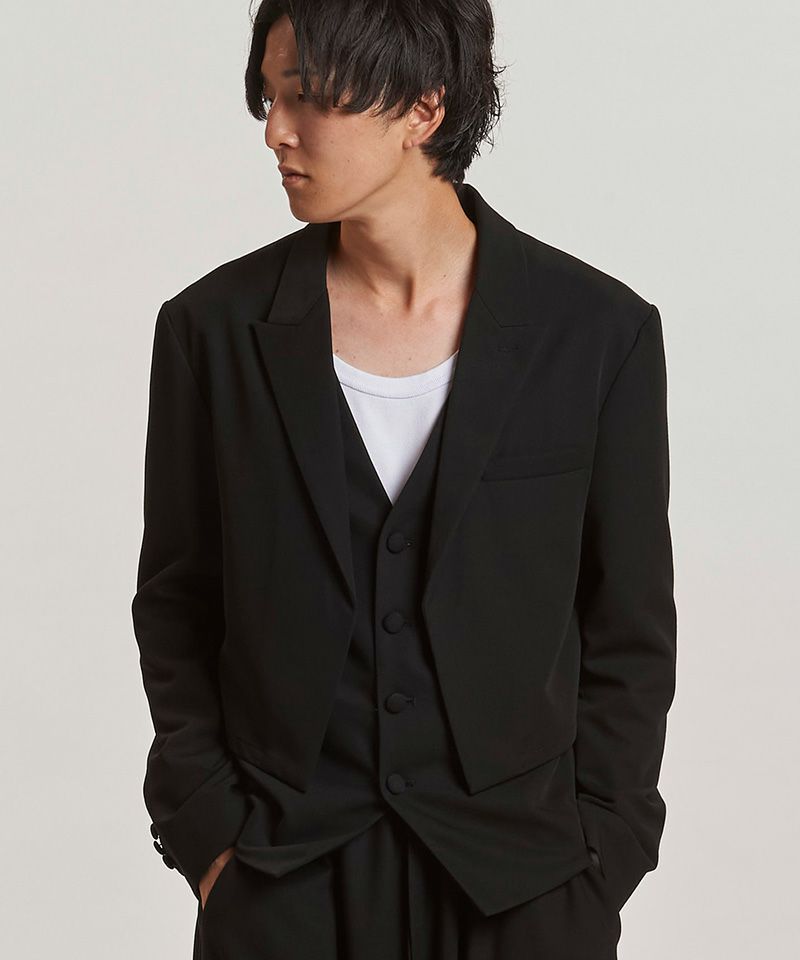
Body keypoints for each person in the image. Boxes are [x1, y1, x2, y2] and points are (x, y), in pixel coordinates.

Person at [132, 1, 677, 958]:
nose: (276, 131)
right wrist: (210, 837)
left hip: (524, 888)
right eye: (269, 97)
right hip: (281, 880)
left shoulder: (597, 335)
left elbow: (628, 626)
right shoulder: (210, 331)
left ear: (424, 108)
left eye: (308, 98)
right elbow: (177, 602)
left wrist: (604, 855)